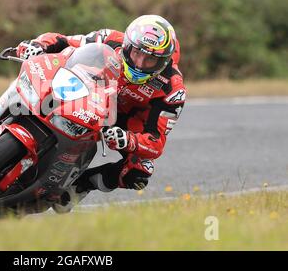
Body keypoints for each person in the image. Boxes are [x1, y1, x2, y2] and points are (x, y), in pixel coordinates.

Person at [16, 15, 186, 212]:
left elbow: (156, 141)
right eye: (137, 53)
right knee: (39, 76)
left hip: (123, 122)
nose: (139, 63)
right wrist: (38, 45)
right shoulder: (110, 38)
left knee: (140, 172)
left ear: (163, 63)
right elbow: (64, 40)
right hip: (88, 92)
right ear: (127, 45)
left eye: (150, 60)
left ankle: (80, 185)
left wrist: (128, 140)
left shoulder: (173, 89)